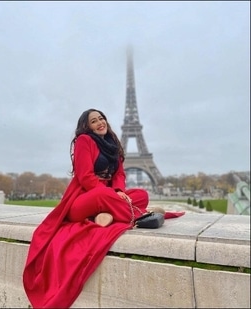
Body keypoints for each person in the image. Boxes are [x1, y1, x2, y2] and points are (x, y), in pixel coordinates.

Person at [22, 108, 184, 308]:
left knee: (141, 195)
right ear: (86, 126)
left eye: (102, 118)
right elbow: (85, 176)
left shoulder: (114, 145)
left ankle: (107, 214)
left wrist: (118, 191)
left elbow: (120, 175)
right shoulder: (84, 141)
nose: (100, 122)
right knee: (102, 195)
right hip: (84, 199)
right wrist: (111, 194)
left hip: (108, 196)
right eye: (93, 121)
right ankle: (137, 215)